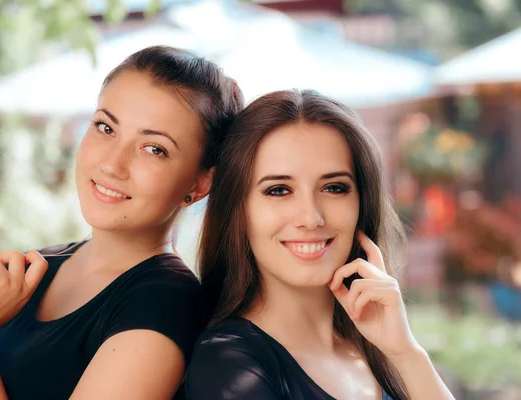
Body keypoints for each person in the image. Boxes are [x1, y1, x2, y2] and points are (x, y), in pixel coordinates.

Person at [0, 45, 244, 400]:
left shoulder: (166, 305)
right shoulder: (31, 270)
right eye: (105, 127)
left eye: (154, 149)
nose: (113, 164)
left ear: (199, 183)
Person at [186, 90, 454, 400]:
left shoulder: (380, 350)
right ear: (238, 210)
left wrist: (406, 353)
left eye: (334, 187)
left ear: (361, 204)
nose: (310, 218)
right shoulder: (229, 368)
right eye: (278, 190)